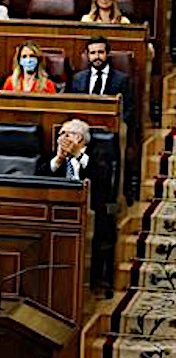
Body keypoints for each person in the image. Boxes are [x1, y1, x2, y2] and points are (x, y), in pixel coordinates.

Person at [36, 119, 114, 295]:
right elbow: (38, 177)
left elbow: (102, 177)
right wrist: (58, 160)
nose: (60, 138)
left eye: (65, 134)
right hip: (58, 209)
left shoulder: (96, 154)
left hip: (93, 209)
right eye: (60, 135)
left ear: (78, 137)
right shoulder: (54, 155)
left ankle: (92, 282)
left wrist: (78, 154)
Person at [71, 36, 133, 124]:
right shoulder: (78, 78)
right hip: (83, 124)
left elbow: (128, 110)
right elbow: (72, 106)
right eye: (93, 53)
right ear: (88, 55)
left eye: (100, 52)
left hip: (110, 125)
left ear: (107, 54)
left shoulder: (122, 80)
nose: (97, 56)